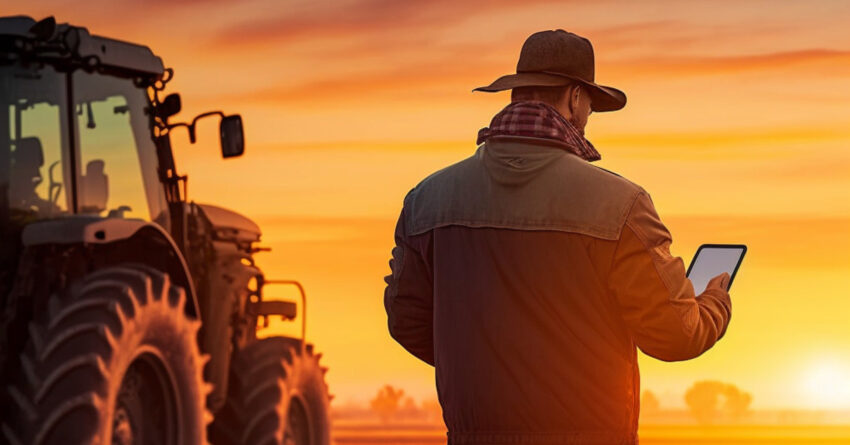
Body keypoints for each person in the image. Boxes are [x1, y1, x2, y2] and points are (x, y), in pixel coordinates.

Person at [383, 29, 732, 445]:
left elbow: (407, 321)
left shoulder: (427, 200)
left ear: (515, 94)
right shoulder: (621, 205)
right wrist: (715, 301)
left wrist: (488, 365)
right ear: (575, 98)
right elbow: (675, 336)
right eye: (590, 106)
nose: (588, 116)